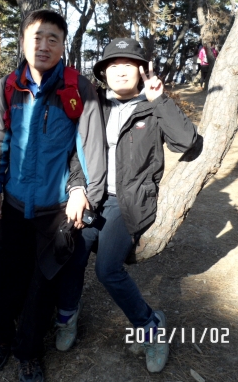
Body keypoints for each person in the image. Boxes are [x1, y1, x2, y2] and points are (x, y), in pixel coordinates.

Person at [55, 38, 199, 373]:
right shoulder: (95, 107)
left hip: (128, 201)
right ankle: (66, 316)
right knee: (71, 254)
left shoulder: (151, 106)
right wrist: (77, 188)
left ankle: (151, 327)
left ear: (141, 71)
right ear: (104, 73)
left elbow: (187, 142)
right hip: (92, 197)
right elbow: (77, 151)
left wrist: (159, 98)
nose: (120, 71)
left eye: (128, 64)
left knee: (107, 270)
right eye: (113, 65)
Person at [0, 9, 106, 382]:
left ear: (63, 45)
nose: (44, 45)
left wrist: (83, 192)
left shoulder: (77, 88)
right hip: (15, 202)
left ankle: (29, 352)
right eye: (37, 37)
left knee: (43, 282)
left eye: (53, 38)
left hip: (56, 208)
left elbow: (88, 148)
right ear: (23, 41)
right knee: (7, 277)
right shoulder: (9, 86)